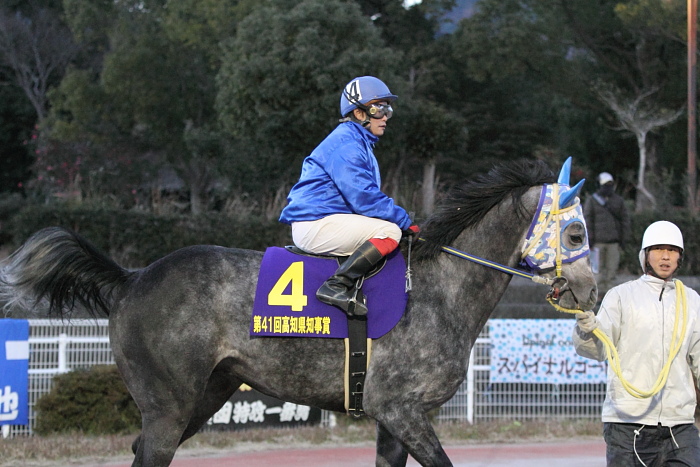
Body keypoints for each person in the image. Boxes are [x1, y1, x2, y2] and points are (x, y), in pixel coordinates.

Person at [279, 76, 418, 316]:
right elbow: (364, 198)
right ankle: (336, 286)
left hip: (325, 220)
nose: (385, 116)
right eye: (378, 108)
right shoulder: (347, 144)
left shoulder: (357, 141)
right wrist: (403, 220)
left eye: (388, 109)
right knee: (390, 231)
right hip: (316, 224)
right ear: (359, 113)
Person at [573, 220, 700, 466]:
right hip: (627, 425)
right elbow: (597, 349)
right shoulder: (620, 296)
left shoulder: (693, 301)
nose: (665, 256)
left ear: (680, 257)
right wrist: (587, 330)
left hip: (679, 425)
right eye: (658, 249)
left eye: (672, 250)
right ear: (645, 256)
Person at [584, 172, 631, 295]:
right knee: (597, 272)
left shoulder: (618, 201)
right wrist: (589, 240)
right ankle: (597, 295)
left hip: (613, 242)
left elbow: (625, 221)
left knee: (612, 272)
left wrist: (623, 239)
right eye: (605, 185)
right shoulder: (592, 201)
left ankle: (610, 296)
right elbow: (587, 221)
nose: (608, 188)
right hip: (597, 243)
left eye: (610, 185)